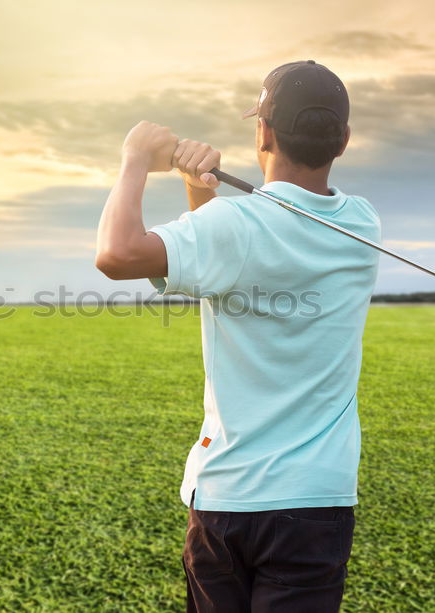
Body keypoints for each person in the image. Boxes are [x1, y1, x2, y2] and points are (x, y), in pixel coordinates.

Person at [95, 60, 380, 612]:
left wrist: (134, 158)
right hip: (317, 500)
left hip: (227, 495)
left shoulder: (233, 227)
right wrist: (197, 190)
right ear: (342, 141)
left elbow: (117, 254)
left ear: (263, 132)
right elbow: (233, 265)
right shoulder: (363, 224)